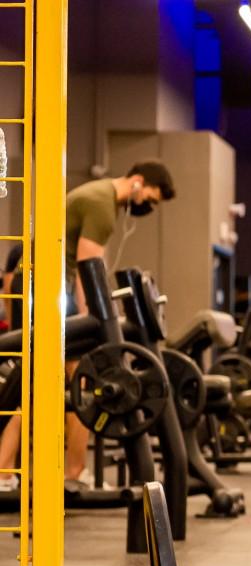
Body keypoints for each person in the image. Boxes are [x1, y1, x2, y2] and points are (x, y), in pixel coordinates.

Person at [0, 162, 174, 492]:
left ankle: (39, 471)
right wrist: (92, 320)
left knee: (47, 380)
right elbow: (87, 268)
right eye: (150, 199)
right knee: (75, 379)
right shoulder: (102, 204)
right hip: (50, 289)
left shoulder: (100, 198)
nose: (147, 207)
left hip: (42, 285)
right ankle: (58, 471)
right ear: (137, 182)